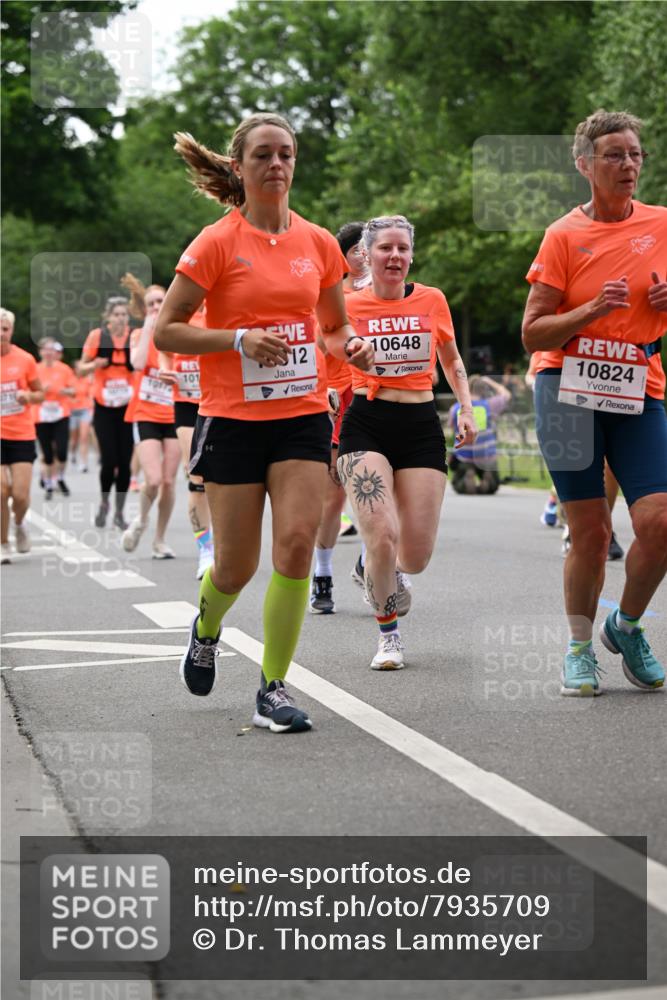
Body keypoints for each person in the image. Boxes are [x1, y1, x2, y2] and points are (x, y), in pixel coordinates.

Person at [154, 113, 374, 732]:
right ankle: (206, 628)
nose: (277, 164)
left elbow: (334, 327)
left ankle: (272, 688)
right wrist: (238, 339)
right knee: (235, 566)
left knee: (297, 546)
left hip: (300, 415)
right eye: (263, 155)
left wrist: (352, 347)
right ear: (240, 166)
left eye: (286, 154)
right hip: (232, 420)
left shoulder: (318, 243)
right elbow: (167, 330)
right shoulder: (216, 242)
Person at [522, 108, 667, 696]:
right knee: (590, 532)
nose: (628, 164)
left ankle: (625, 627)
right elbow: (533, 332)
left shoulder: (662, 223)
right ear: (585, 164)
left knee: (660, 522)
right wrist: (591, 310)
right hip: (566, 386)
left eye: (634, 154)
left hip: (639, 384)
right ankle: (580, 649)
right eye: (614, 155)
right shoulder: (563, 235)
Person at [337, 215, 476, 669]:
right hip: (366, 421)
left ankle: (374, 568)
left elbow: (451, 358)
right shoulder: (349, 306)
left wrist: (467, 409)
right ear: (366, 255)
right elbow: (326, 350)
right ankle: (388, 635)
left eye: (402, 248)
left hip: (420, 426)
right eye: (385, 248)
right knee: (381, 534)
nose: (394, 256)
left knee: (413, 557)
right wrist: (340, 374)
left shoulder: (432, 300)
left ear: (411, 255)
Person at [310, 220, 369, 614]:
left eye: (369, 248)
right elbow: (315, 346)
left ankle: (369, 561)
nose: (365, 255)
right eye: (357, 250)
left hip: (375, 399)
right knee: (334, 498)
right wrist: (321, 388)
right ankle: (323, 572)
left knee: (378, 490)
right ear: (343, 258)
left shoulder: (391, 294)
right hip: (338, 398)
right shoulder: (332, 296)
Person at [119, 276, 180, 559]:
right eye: (151, 304)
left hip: (174, 413)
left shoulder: (178, 333)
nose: (156, 307)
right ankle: (141, 521)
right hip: (145, 413)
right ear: (144, 309)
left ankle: (160, 539)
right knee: (153, 480)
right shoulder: (137, 335)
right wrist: (148, 326)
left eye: (160, 302)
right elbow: (138, 363)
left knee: (168, 481)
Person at [158, 305, 215, 579]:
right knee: (198, 477)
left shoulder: (226, 308)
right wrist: (164, 369)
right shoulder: (183, 311)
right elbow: (164, 349)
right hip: (187, 403)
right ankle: (205, 550)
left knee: (224, 480)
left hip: (219, 401)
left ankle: (224, 542)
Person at [78, 297, 134, 529]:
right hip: (103, 407)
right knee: (109, 461)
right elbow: (81, 368)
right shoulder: (97, 337)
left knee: (125, 463)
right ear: (108, 317)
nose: (120, 318)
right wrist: (95, 365)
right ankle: (104, 503)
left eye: (124, 315)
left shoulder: (135, 337)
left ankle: (119, 511)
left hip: (127, 407)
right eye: (116, 314)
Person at [1, 308, 44, 562]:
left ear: (12, 331)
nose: (0, 333)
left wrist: (27, 396)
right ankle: (3, 543)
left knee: (19, 494)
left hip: (21, 433)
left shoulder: (25, 359)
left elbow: (40, 393)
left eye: (5, 329)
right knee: (1, 491)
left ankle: (19, 524)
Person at [447, 374, 511, 494]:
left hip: (464, 456)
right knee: (493, 486)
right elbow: (506, 395)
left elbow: (451, 428)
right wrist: (490, 381)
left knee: (457, 483)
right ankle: (488, 480)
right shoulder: (490, 405)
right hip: (486, 455)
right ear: (483, 390)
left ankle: (467, 476)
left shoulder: (455, 408)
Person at [34, 337, 76, 499]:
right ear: (40, 352)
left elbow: (74, 391)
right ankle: (49, 484)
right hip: (41, 415)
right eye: (46, 349)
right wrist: (41, 391)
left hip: (60, 414)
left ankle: (59, 477)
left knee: (62, 451)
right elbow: (28, 392)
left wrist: (64, 391)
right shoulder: (35, 369)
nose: (49, 352)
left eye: (52, 349)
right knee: (48, 453)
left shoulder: (64, 369)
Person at [69, 367, 94, 472]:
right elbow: (65, 394)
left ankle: (83, 463)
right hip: (72, 411)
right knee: (74, 439)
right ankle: (73, 453)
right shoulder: (70, 379)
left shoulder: (87, 381)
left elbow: (91, 395)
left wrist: (91, 407)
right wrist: (71, 400)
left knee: (84, 437)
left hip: (84, 410)